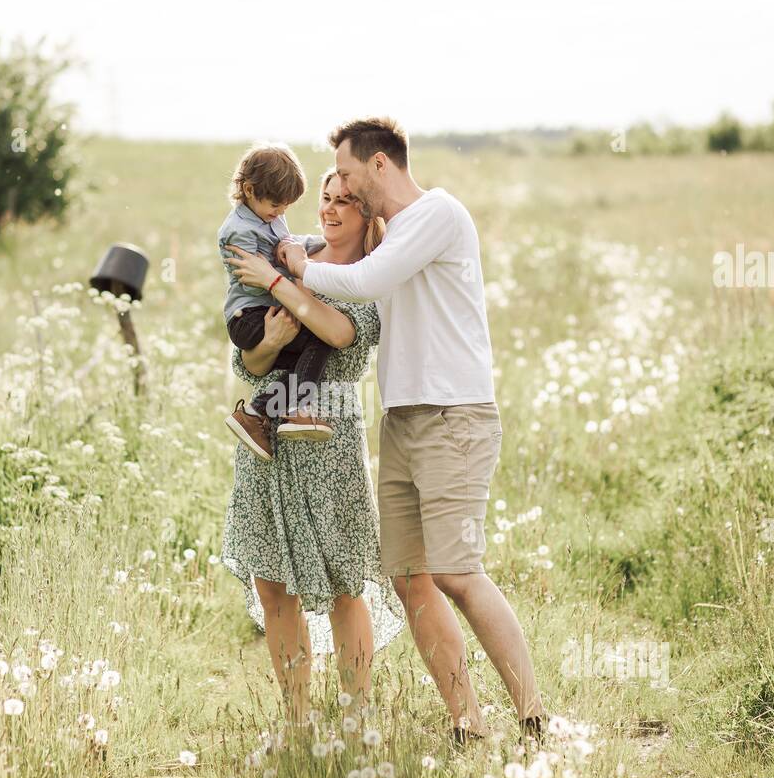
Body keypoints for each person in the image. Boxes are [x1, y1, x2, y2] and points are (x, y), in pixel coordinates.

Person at [225, 117, 548, 746]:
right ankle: (467, 721)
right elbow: (257, 349)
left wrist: (278, 280)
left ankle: (533, 716)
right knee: (408, 578)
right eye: (329, 188)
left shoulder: (434, 217)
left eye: (344, 177)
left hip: (453, 415)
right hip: (401, 419)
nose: (333, 193)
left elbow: (359, 299)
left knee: (456, 571)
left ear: (378, 166)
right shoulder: (381, 240)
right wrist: (281, 282)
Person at [220, 169, 402, 730]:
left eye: (346, 201)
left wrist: (279, 287)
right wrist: (267, 344)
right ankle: (297, 719)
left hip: (327, 436)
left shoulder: (370, 273)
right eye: (326, 198)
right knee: (273, 581)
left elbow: (343, 332)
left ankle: (355, 716)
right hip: (267, 435)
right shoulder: (287, 251)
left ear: (369, 211)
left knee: (344, 580)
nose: (330, 209)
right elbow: (245, 361)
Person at [218, 143, 333, 458]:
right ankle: (298, 407)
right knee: (321, 337)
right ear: (249, 189)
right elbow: (256, 276)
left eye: (286, 206)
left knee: (299, 365)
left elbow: (287, 244)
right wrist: (295, 282)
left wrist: (325, 243)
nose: (281, 212)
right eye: (275, 205)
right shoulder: (237, 231)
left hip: (264, 308)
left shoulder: (268, 216)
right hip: (250, 316)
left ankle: (255, 414)